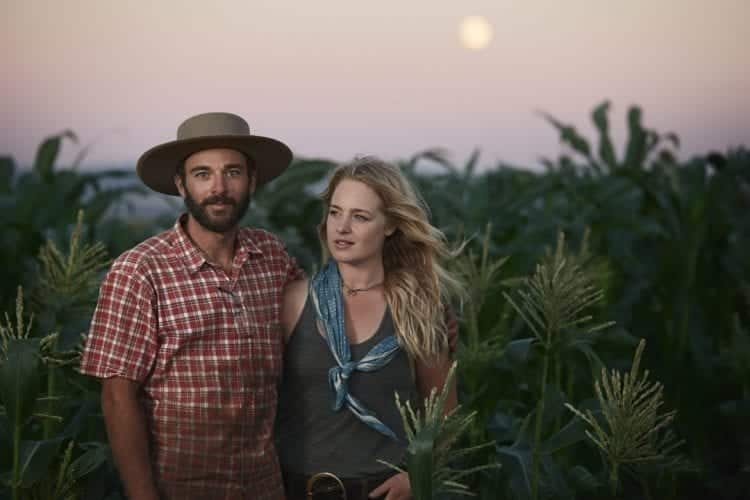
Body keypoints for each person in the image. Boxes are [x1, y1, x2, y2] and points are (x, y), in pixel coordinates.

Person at [79, 112, 303, 500]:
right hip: (181, 488)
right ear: (181, 184)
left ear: (251, 181)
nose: (219, 188)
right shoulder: (140, 271)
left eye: (232, 172)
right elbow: (118, 397)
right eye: (202, 174)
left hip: (265, 484)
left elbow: (327, 322)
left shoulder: (271, 255)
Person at [276, 157, 462, 500]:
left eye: (359, 216)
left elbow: (444, 416)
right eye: (335, 212)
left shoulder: (419, 308)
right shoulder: (293, 301)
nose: (342, 227)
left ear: (391, 224)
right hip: (297, 490)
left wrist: (417, 476)